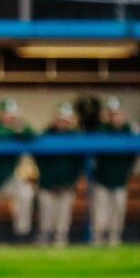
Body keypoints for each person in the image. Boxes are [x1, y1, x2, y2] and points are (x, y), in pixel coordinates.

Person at [0, 98, 35, 245]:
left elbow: (30, 133)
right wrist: (13, 131)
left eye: (11, 114)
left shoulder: (20, 125)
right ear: (0, 114)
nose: (8, 117)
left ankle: (22, 234)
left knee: (26, 192)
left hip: (8, 178)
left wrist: (16, 129)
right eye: (5, 114)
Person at [91, 96, 138, 246]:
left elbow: (133, 156)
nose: (115, 117)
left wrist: (128, 172)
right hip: (102, 179)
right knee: (100, 214)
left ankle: (114, 238)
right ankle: (98, 238)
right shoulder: (101, 129)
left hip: (120, 179)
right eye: (112, 114)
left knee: (117, 212)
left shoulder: (128, 130)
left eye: (117, 114)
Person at [35, 102, 83, 247]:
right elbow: (39, 159)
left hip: (67, 186)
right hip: (47, 186)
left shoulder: (76, 138)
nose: (62, 122)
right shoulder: (45, 135)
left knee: (63, 220)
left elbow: (79, 164)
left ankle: (60, 242)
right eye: (60, 119)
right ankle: (44, 240)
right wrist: (49, 183)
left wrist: (70, 183)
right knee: (46, 219)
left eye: (65, 120)